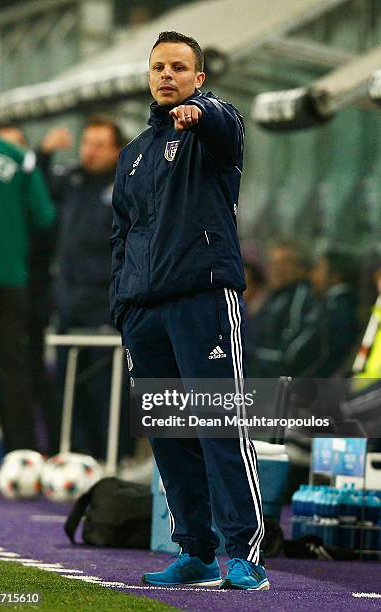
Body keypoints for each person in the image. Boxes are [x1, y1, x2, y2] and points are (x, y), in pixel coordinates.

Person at [110, 32, 268, 591]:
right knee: (171, 436)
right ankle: (196, 551)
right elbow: (123, 236)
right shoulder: (132, 156)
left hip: (202, 296)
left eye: (179, 67)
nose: (167, 76)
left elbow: (224, 118)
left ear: (198, 77)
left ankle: (244, 553)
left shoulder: (213, 131)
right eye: (158, 68)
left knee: (219, 424)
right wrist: (121, 305)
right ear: (148, 76)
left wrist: (202, 113)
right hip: (145, 311)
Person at [0, 81, 55, 452]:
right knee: (11, 374)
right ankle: (20, 456)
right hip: (11, 281)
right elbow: (44, 217)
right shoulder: (20, 157)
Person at [45, 115, 132, 460]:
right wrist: (42, 154)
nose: (90, 151)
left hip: (107, 307)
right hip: (69, 305)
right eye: (86, 143)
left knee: (107, 389)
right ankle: (77, 456)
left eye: (99, 145)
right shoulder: (72, 182)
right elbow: (37, 191)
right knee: (68, 388)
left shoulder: (128, 186)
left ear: (117, 150)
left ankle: (116, 457)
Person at [249, 240, 313, 377]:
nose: (277, 268)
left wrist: (250, 355)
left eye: (285, 263)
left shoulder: (300, 297)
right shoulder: (275, 296)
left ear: (300, 268)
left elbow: (289, 353)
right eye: (274, 263)